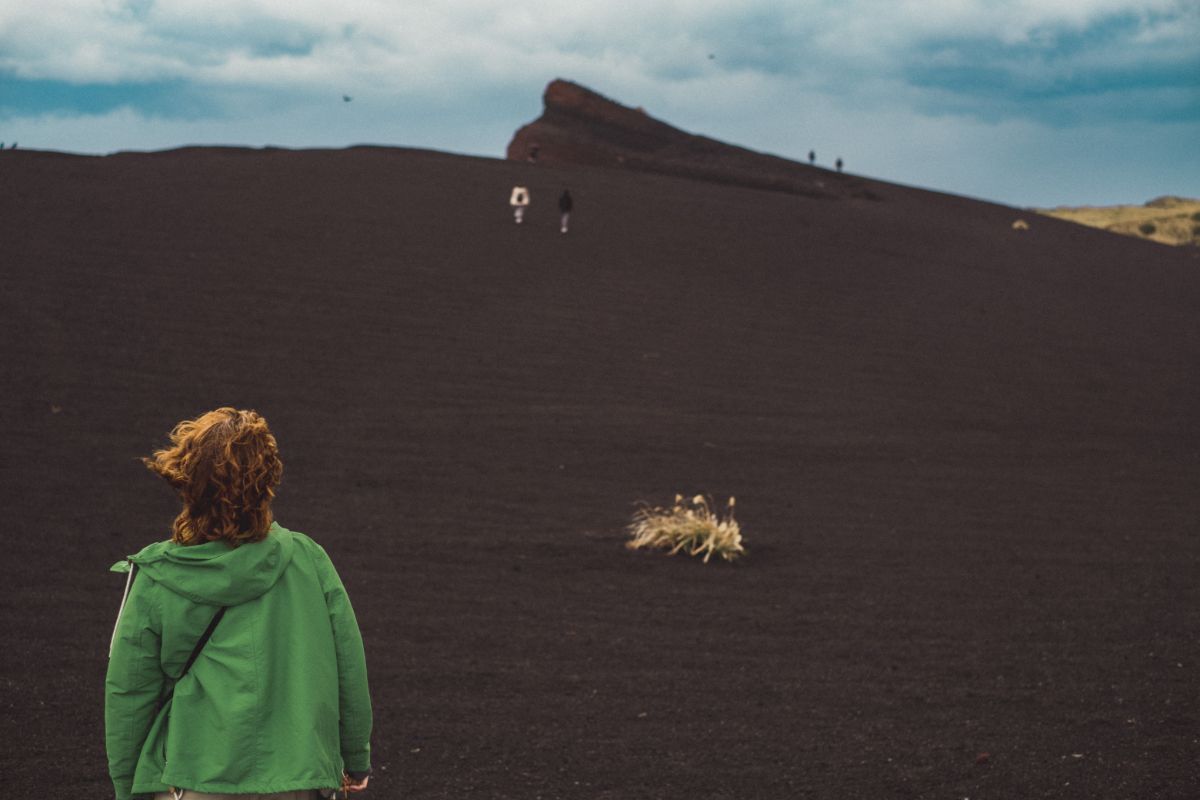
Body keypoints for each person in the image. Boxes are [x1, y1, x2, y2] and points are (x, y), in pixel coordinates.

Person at [105, 407, 373, 800]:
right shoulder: (309, 560)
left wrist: (127, 788)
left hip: (194, 778)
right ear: (269, 479)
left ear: (186, 480)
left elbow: (130, 695)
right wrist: (355, 757)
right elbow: (349, 667)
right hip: (299, 778)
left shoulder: (157, 577)